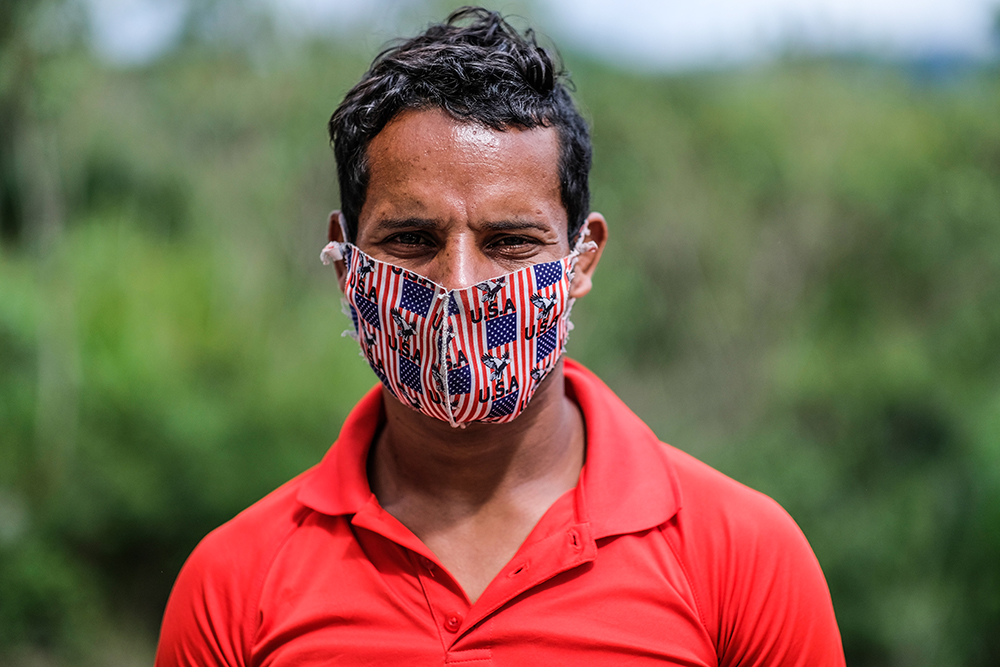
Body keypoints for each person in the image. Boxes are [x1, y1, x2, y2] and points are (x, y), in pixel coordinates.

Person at [154, 7, 845, 666]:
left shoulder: (742, 558)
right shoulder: (236, 583)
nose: (459, 284)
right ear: (345, 260)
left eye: (511, 241)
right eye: (411, 239)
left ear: (582, 260)